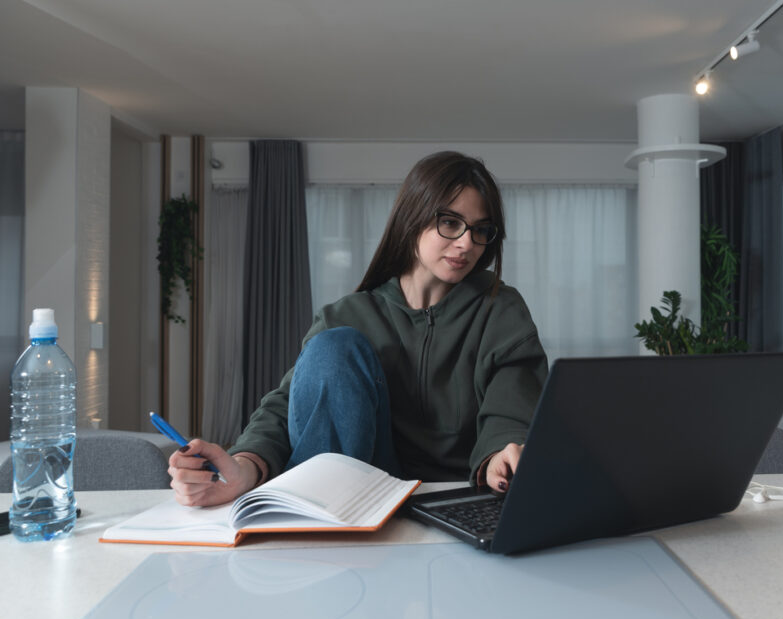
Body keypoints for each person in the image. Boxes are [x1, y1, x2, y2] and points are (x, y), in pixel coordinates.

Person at [169, 151, 549, 507]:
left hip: (458, 495)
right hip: (359, 494)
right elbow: (287, 408)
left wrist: (501, 454)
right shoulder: (346, 315)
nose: (467, 243)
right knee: (333, 347)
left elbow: (512, 408)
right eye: (450, 223)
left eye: (481, 230)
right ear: (412, 217)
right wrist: (244, 466)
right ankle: (315, 514)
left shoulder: (500, 309)